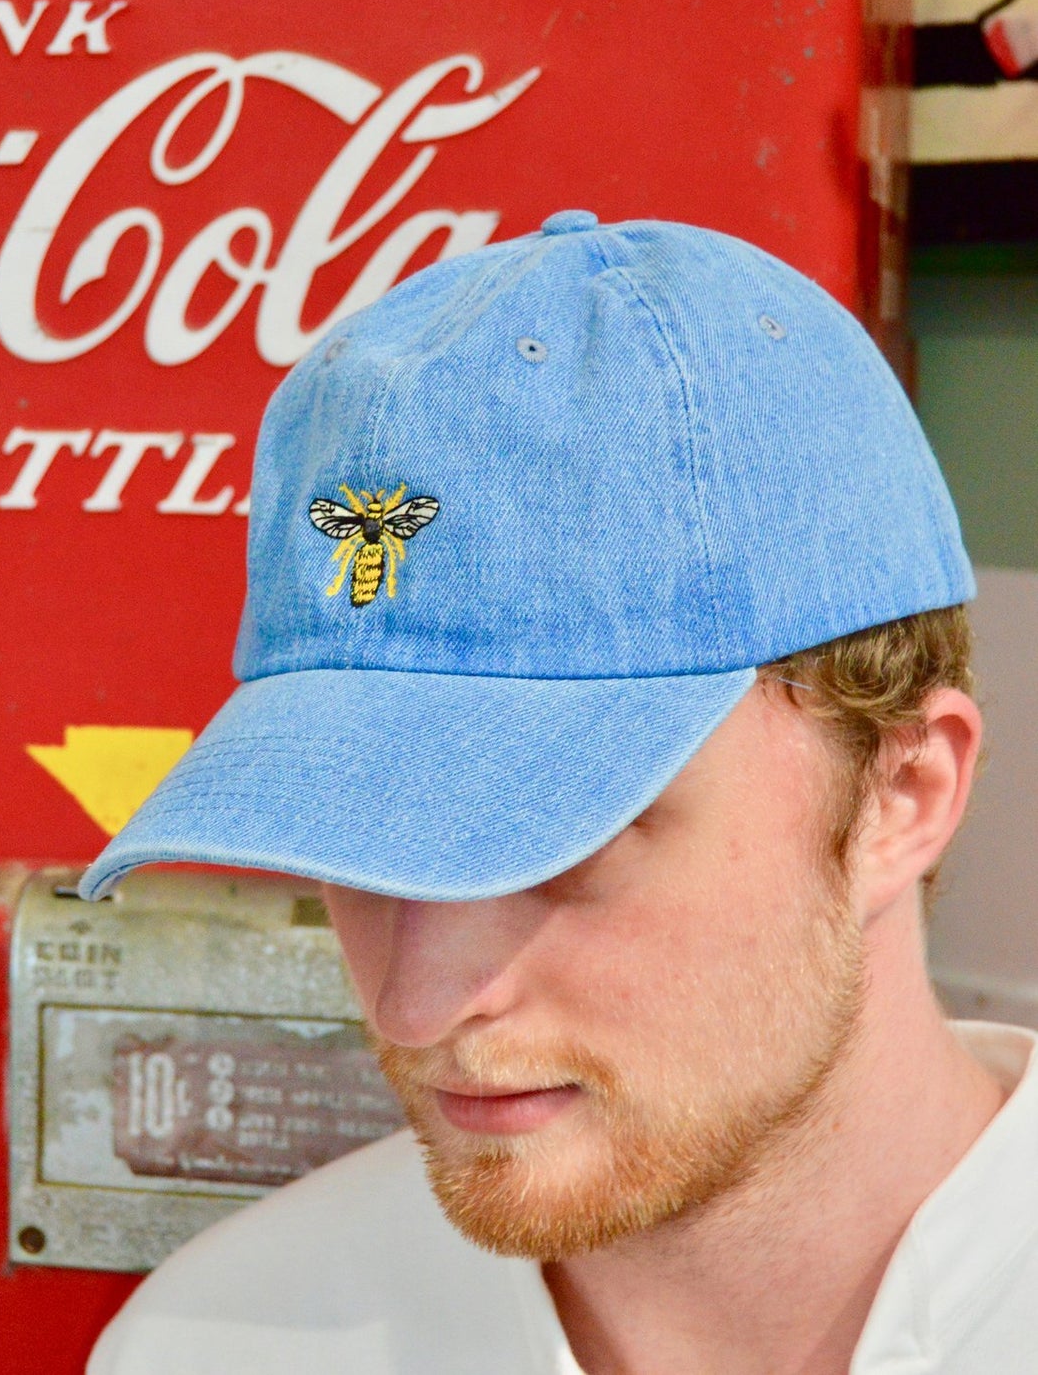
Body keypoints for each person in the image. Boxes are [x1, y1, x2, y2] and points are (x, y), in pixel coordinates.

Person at [77, 212, 1036, 1374]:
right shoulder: (217, 1344)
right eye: (350, 843)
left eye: (555, 840)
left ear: (903, 793)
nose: (416, 1008)